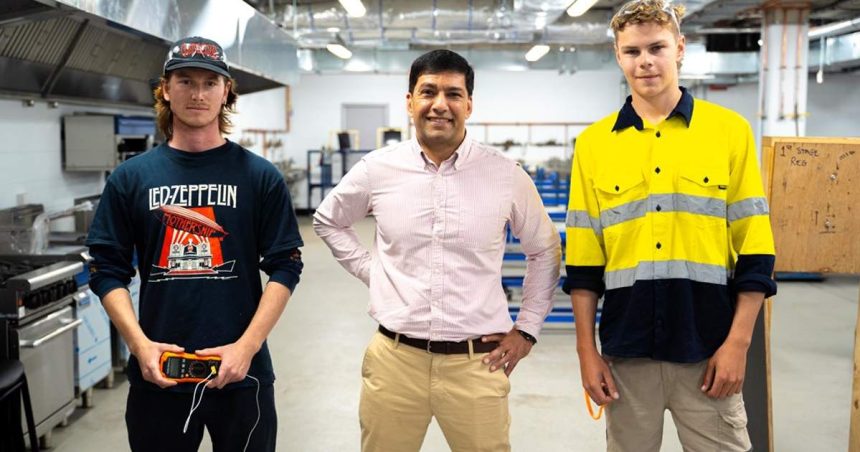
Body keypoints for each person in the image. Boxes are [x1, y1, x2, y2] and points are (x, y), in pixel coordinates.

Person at [313, 49, 561, 452]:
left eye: (453, 93)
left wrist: (528, 329)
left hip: (477, 364)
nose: (440, 105)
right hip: (395, 361)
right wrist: (374, 272)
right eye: (428, 91)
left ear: (469, 104)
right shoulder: (378, 169)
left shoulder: (504, 175)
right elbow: (328, 220)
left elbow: (545, 250)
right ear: (410, 101)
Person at [564, 1, 777, 450]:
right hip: (627, 355)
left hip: (708, 353)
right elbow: (583, 262)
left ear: (680, 49)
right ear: (618, 56)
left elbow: (756, 252)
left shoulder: (729, 132)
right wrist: (587, 351)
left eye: (657, 47)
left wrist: (738, 344)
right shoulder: (593, 145)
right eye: (632, 51)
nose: (645, 61)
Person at [86, 36, 303, 452]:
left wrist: (247, 347)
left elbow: (285, 265)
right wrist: (139, 345)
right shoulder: (132, 178)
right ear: (166, 90)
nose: (198, 94)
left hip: (243, 375)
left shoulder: (259, 177)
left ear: (226, 92)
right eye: (185, 81)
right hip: (158, 374)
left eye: (210, 82)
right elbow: (106, 267)